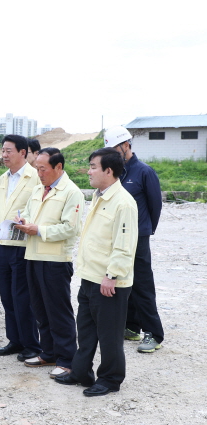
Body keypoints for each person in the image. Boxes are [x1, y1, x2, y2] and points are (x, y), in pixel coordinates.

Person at [55, 147, 138, 397]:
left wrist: (112, 275)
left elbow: (124, 245)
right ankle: (81, 372)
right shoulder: (99, 196)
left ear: (108, 170)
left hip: (109, 281)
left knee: (109, 334)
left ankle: (110, 379)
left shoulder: (123, 203)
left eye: (93, 167)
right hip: (90, 276)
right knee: (87, 329)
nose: (88, 171)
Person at [15, 147, 84, 379]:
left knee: (58, 310)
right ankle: (49, 352)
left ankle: (66, 359)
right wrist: (23, 221)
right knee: (39, 308)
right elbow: (27, 213)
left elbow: (70, 228)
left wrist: (38, 229)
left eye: (42, 169)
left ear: (58, 167)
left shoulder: (71, 192)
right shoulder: (38, 189)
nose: (39, 173)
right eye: (37, 168)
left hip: (55, 260)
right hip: (33, 256)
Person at [104, 126, 164, 353]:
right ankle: (131, 326)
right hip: (119, 236)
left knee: (142, 284)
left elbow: (154, 206)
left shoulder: (144, 172)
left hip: (138, 237)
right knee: (121, 280)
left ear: (126, 146)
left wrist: (145, 230)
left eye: (114, 149)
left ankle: (154, 334)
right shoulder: (115, 173)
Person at [0, 135, 42, 361]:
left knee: (22, 297)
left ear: (23, 153)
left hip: (22, 245)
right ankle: (15, 340)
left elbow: (38, 207)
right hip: (2, 243)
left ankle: (32, 344)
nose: (4, 155)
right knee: (6, 296)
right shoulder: (3, 178)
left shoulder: (35, 178)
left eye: (8, 151)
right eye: (2, 151)